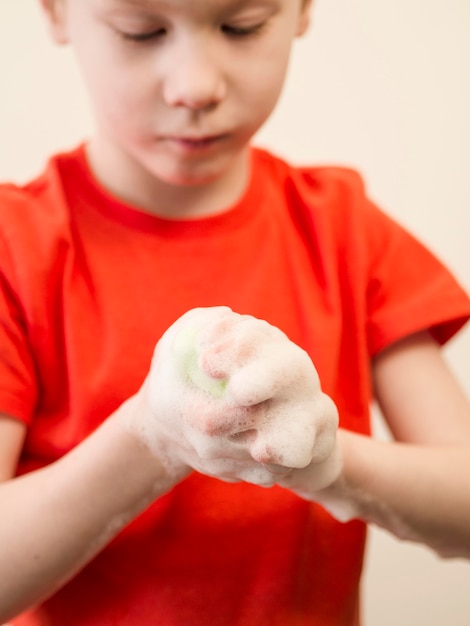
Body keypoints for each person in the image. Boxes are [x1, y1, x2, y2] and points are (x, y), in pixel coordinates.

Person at [0, 0, 469, 624]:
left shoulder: (345, 231)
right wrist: (153, 437)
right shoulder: (15, 250)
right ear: (55, 13)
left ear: (302, 9)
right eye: (141, 32)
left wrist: (328, 463)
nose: (196, 87)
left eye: (241, 27)